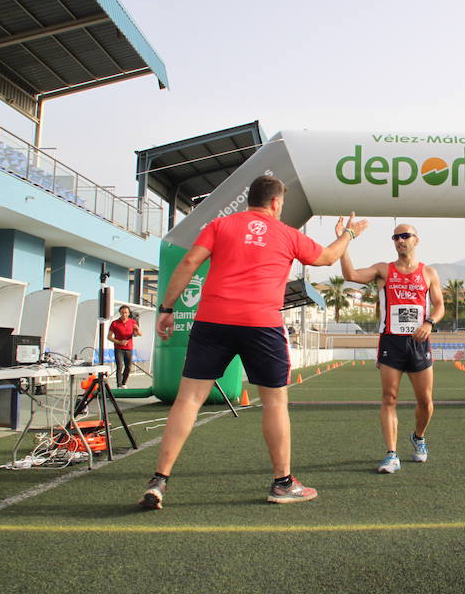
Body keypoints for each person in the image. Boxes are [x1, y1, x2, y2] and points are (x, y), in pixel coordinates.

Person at [138, 175, 368, 509]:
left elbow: (189, 262)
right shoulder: (288, 234)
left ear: (250, 199)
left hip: (213, 320)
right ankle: (282, 483)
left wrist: (167, 308)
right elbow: (328, 258)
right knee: (274, 403)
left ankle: (159, 480)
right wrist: (349, 234)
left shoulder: (220, 225)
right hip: (261, 324)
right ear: (276, 202)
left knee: (188, 400)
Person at [339, 223, 444, 473]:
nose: (400, 240)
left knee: (426, 402)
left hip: (419, 342)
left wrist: (429, 322)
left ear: (416, 240)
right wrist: (344, 240)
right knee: (389, 398)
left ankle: (418, 437)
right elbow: (350, 275)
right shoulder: (383, 270)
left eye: (405, 236)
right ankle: (391, 454)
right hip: (391, 342)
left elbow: (439, 305)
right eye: (395, 237)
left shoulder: (429, 273)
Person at [107, 305, 142, 388]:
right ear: (120, 313)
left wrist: (137, 330)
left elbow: (140, 334)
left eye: (126, 312)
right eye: (122, 313)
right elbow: (109, 337)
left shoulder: (132, 322)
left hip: (129, 348)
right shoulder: (114, 323)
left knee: (128, 367)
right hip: (119, 348)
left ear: (129, 313)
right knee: (119, 366)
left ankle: (123, 383)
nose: (124, 314)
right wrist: (119, 342)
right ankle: (119, 385)